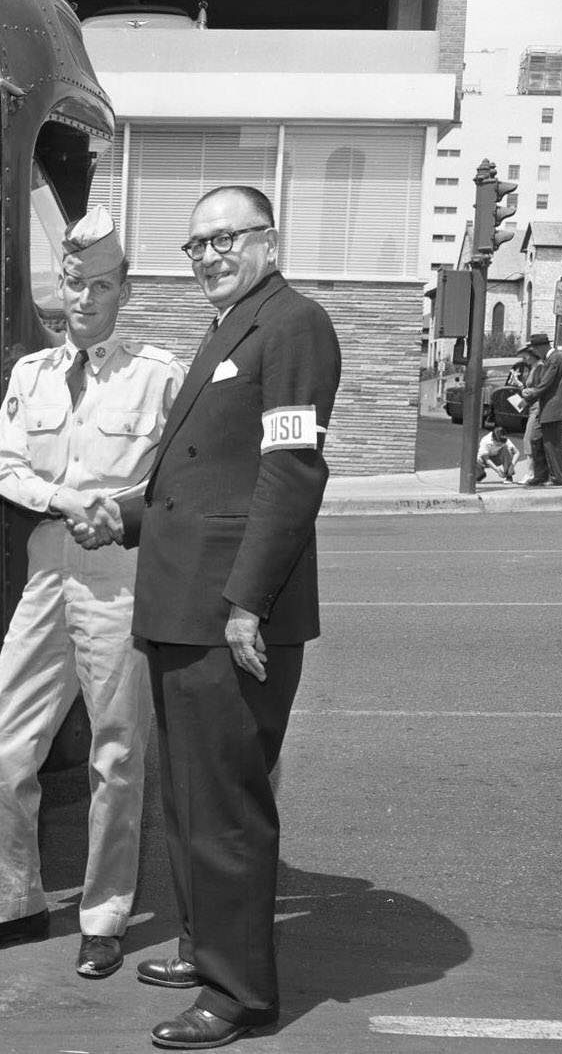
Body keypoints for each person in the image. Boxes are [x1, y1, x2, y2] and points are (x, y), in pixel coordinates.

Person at [0, 207, 185, 978]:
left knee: (116, 752)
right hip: (49, 573)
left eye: (101, 285)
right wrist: (66, 499)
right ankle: (13, 905)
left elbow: (180, 475)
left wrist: (118, 508)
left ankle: (104, 916)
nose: (84, 298)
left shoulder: (159, 374)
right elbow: (3, 466)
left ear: (125, 290)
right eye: (75, 282)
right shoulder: (32, 374)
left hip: (120, 578)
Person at [125, 186, 341, 1050]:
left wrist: (249, 600)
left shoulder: (292, 324)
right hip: (182, 608)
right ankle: (204, 945)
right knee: (187, 802)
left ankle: (239, 992)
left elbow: (291, 472)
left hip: (228, 615)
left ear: (269, 241)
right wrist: (126, 515)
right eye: (197, 244)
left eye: (227, 238)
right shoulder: (230, 326)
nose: (210, 255)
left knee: (226, 809)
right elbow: (206, 477)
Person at [519, 331, 562, 487]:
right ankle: (541, 475)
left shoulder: (554, 360)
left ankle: (557, 477)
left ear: (541, 347)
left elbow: (545, 384)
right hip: (548, 407)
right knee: (536, 439)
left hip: (553, 409)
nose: (534, 352)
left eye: (535, 349)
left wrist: (529, 396)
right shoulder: (553, 359)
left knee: (551, 444)